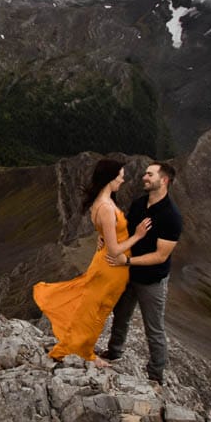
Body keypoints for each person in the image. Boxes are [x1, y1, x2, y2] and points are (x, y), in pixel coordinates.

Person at [33, 158, 152, 365]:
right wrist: (138, 236)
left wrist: (105, 236)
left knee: (94, 308)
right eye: (120, 177)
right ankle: (82, 351)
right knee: (96, 310)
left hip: (105, 264)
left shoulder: (102, 202)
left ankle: (82, 347)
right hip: (111, 267)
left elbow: (108, 233)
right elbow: (115, 250)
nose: (122, 180)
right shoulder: (106, 207)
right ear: (110, 178)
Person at [105, 160, 183, 386]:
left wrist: (127, 261)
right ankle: (114, 353)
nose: (144, 177)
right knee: (121, 315)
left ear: (164, 180)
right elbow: (126, 232)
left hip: (152, 281)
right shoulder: (139, 204)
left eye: (150, 174)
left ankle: (156, 375)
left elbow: (160, 256)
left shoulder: (172, 216)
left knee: (154, 328)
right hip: (130, 275)